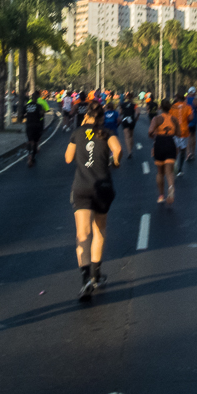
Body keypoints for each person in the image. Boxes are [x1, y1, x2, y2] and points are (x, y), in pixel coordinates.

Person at [64, 102, 122, 301]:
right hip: (103, 187)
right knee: (99, 230)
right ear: (101, 118)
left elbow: (68, 158)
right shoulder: (106, 132)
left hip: (81, 187)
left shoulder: (78, 133)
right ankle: (96, 275)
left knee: (83, 234)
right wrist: (115, 162)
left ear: (86, 116)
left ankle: (85, 279)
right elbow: (118, 150)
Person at [148, 98, 178, 205]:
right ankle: (171, 188)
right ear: (169, 108)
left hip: (159, 144)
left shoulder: (156, 119)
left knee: (160, 172)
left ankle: (161, 196)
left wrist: (154, 134)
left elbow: (150, 132)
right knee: (169, 172)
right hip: (170, 143)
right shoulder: (174, 119)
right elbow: (178, 132)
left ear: (160, 107)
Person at [169, 92, 192, 176]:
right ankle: (180, 169)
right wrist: (186, 120)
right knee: (183, 150)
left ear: (177, 98)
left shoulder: (172, 107)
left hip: (175, 131)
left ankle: (174, 162)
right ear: (184, 98)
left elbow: (169, 118)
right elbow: (191, 118)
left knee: (175, 149)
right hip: (184, 131)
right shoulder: (187, 107)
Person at [24, 91, 49, 166]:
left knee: (29, 140)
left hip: (29, 124)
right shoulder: (40, 104)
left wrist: (28, 116)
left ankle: (29, 154)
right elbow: (45, 111)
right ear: (38, 96)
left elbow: (22, 114)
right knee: (35, 141)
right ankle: (33, 156)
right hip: (38, 124)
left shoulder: (27, 104)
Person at [119, 92, 138, 159]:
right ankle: (131, 149)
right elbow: (138, 112)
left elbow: (120, 112)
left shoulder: (123, 104)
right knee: (131, 136)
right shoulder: (134, 105)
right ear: (132, 97)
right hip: (132, 120)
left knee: (126, 137)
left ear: (126, 97)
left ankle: (129, 152)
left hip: (125, 120)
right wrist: (136, 119)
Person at [185, 87, 197, 160]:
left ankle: (188, 154)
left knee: (188, 137)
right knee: (193, 136)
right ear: (194, 92)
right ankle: (192, 153)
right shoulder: (196, 100)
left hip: (187, 120)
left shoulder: (185, 100)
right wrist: (196, 111)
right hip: (194, 120)